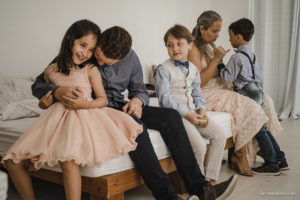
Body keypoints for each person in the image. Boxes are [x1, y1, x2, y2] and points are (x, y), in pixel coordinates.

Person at [32, 25, 237, 200]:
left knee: (170, 117)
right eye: (98, 57)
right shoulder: (82, 52)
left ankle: (201, 188)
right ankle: (167, 196)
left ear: (121, 57)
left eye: (106, 62)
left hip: (121, 104)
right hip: (97, 110)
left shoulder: (130, 58)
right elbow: (39, 83)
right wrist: (56, 91)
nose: (99, 63)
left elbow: (138, 88)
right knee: (137, 127)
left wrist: (138, 101)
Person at [2, 19, 143, 200]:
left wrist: (84, 104)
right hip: (55, 117)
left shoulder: (90, 69)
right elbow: (40, 91)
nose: (86, 53)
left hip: (81, 117)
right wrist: (49, 98)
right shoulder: (51, 70)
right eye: (82, 45)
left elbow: (102, 99)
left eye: (91, 49)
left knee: (68, 159)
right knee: (11, 160)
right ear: (70, 39)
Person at [188, 10, 283, 177]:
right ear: (202, 29)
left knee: (266, 101)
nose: (218, 35)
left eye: (219, 30)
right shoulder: (193, 48)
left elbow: (223, 73)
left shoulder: (210, 45)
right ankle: (240, 154)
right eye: (214, 31)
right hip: (206, 92)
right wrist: (217, 59)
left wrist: (219, 60)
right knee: (249, 105)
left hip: (222, 87)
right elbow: (199, 82)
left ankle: (264, 149)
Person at [154, 24, 227, 186]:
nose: (175, 49)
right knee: (199, 146)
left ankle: (210, 179)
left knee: (220, 135)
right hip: (176, 117)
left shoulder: (193, 69)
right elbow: (165, 100)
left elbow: (197, 93)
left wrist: (202, 110)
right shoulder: (163, 70)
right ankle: (199, 185)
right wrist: (188, 115)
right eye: (170, 45)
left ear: (190, 45)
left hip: (194, 112)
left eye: (180, 44)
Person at [218, 18, 288, 175]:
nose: (229, 39)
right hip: (258, 91)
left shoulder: (236, 58)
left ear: (239, 37)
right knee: (263, 127)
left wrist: (220, 64)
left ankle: (272, 163)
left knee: (258, 130)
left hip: (247, 93)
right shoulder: (253, 55)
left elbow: (227, 78)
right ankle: (280, 159)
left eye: (230, 35)